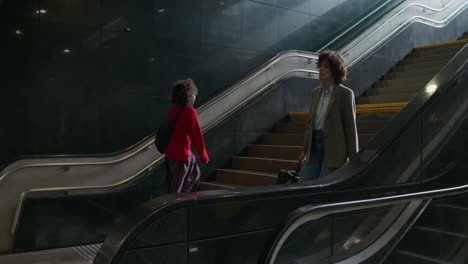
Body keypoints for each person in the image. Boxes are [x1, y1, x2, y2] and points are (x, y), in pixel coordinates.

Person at [298, 50, 358, 182]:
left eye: (325, 66)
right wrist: (305, 149)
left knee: (324, 186)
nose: (321, 69)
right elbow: (310, 123)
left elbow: (350, 128)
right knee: (303, 184)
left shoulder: (345, 94)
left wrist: (353, 160)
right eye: (320, 66)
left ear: (335, 70)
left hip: (334, 149)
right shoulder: (315, 93)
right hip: (314, 146)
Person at [164, 78, 209, 193]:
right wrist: (203, 155)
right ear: (189, 95)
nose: (195, 97)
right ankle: (177, 206)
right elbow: (196, 135)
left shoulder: (174, 110)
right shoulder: (189, 111)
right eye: (194, 94)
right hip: (180, 156)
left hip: (170, 155)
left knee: (175, 183)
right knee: (177, 189)